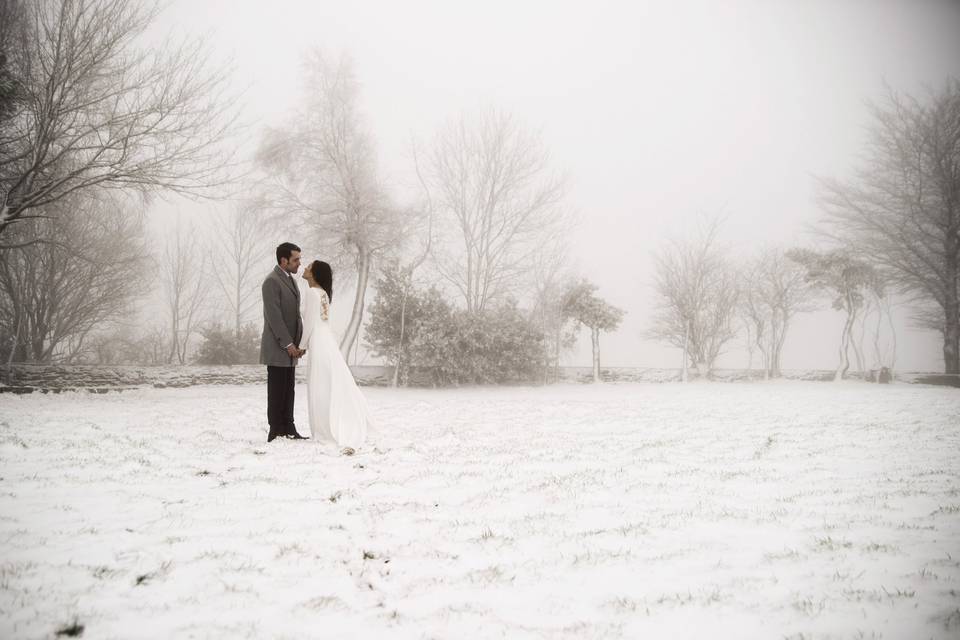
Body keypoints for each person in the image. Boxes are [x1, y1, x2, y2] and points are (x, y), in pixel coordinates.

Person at [299, 260, 369, 455]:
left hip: (318, 341)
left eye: (309, 267)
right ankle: (332, 421)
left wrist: (301, 346)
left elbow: (310, 322)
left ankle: (324, 428)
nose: (305, 268)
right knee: (327, 382)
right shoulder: (323, 293)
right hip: (326, 339)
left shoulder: (312, 293)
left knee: (320, 383)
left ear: (314, 274)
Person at [260, 242, 308, 442]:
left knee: (289, 389)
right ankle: (275, 430)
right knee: (277, 389)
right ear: (284, 260)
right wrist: (288, 345)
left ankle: (289, 427)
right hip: (278, 347)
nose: (299, 263)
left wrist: (299, 344)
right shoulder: (271, 282)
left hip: (291, 349)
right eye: (296, 259)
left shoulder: (290, 280)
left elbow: (295, 316)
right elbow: (275, 318)